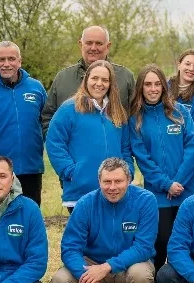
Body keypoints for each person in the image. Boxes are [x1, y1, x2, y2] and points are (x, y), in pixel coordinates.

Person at [50, 157, 159, 283]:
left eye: (118, 181)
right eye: (107, 181)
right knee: (59, 281)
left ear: (129, 180)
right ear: (99, 181)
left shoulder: (146, 200)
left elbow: (143, 247)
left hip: (128, 266)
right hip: (92, 265)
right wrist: (86, 278)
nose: (113, 187)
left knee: (142, 274)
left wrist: (107, 267)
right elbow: (70, 247)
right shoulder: (85, 204)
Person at [129, 64, 194, 283]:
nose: (152, 89)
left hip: (186, 190)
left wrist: (178, 181)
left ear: (164, 86)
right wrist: (166, 183)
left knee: (186, 241)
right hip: (157, 194)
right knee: (160, 241)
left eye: (157, 84)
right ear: (141, 88)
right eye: (147, 84)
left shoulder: (180, 112)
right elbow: (142, 157)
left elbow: (193, 146)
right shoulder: (136, 119)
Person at [45, 60, 133, 212]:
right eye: (95, 78)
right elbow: (54, 143)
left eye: (105, 80)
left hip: (114, 190)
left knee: (112, 234)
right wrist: (71, 171)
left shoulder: (117, 112)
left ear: (111, 84)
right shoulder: (69, 109)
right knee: (84, 235)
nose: (99, 84)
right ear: (86, 80)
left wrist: (128, 171)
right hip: (80, 193)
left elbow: (125, 148)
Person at [0, 41, 47, 205]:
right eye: (1, 59)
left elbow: (46, 122)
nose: (6, 64)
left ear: (19, 61)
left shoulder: (36, 88)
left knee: (29, 219)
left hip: (31, 168)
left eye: (11, 59)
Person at [40, 25, 135, 138]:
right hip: (72, 155)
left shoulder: (125, 77)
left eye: (99, 43)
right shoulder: (62, 78)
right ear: (81, 44)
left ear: (108, 46)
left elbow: (136, 119)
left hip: (114, 154)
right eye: (89, 43)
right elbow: (47, 118)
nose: (93, 48)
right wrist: (60, 149)